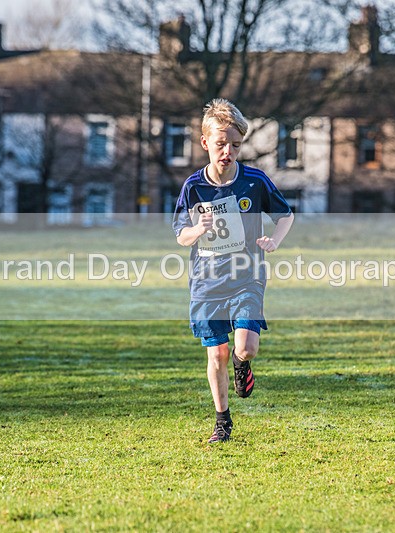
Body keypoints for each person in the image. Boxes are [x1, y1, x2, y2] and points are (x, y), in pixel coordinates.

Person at [173, 99, 294, 443]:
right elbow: (181, 235)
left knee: (244, 349)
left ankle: (244, 367)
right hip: (207, 281)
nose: (228, 151)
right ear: (205, 143)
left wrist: (274, 241)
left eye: (236, 145)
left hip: (247, 276)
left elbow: (286, 215)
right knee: (218, 353)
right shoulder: (193, 187)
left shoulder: (254, 181)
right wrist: (199, 229)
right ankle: (222, 421)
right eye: (222, 144)